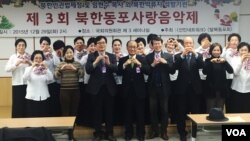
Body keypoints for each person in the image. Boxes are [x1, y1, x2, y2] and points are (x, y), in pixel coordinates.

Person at [85, 35, 117, 141]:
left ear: (106, 44)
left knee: (110, 112)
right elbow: (88, 70)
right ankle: (97, 133)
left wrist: (108, 63)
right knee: (97, 112)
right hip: (95, 89)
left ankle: (110, 133)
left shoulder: (111, 56)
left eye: (103, 42)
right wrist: (96, 61)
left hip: (109, 88)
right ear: (96, 45)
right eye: (99, 43)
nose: (101, 44)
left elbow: (116, 69)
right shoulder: (91, 56)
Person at [117, 40, 149, 141]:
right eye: (130, 47)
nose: (132, 49)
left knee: (140, 114)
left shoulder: (142, 58)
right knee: (128, 114)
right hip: (127, 91)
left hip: (139, 91)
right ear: (127, 48)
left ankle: (141, 134)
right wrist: (124, 64)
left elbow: (148, 71)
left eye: (134, 47)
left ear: (137, 48)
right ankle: (128, 133)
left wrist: (139, 64)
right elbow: (118, 72)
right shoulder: (123, 59)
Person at [174, 36, 204, 141]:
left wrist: (195, 54)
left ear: (193, 44)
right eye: (186, 43)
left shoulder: (198, 55)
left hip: (195, 89)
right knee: (181, 112)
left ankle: (194, 133)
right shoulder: (178, 56)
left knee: (195, 112)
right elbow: (173, 68)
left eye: (190, 43)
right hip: (181, 89)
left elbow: (202, 66)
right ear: (183, 44)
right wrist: (182, 55)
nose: (188, 45)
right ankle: (182, 133)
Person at [145, 36, 174, 140]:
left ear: (162, 44)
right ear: (152, 45)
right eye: (155, 44)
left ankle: (164, 132)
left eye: (159, 43)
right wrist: (153, 64)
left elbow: (172, 71)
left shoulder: (168, 56)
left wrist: (165, 62)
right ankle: (155, 131)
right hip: (152, 88)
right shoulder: (148, 57)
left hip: (164, 88)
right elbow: (146, 71)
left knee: (164, 111)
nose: (157, 45)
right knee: (153, 111)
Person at [202, 42, 233, 112]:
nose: (216, 52)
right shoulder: (207, 61)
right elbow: (204, 72)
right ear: (211, 51)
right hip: (210, 91)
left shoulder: (223, 61)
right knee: (210, 111)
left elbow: (231, 71)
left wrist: (225, 62)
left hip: (222, 91)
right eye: (214, 50)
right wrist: (211, 61)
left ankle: (219, 123)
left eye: (218, 50)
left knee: (220, 111)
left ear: (221, 51)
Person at [5, 38, 31, 118]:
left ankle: (28, 122)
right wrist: (16, 64)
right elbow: (7, 69)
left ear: (25, 47)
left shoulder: (29, 56)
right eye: (19, 45)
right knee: (17, 104)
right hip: (17, 84)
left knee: (27, 104)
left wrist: (30, 63)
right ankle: (16, 122)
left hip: (28, 84)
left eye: (23, 45)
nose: (21, 47)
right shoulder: (13, 57)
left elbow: (34, 68)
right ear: (16, 47)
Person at [23, 50, 53, 117]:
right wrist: (32, 67)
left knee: (44, 117)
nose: (38, 60)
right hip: (32, 97)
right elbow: (24, 78)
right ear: (32, 59)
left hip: (44, 96)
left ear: (42, 59)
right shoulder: (28, 69)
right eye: (36, 58)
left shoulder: (45, 70)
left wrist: (47, 68)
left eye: (40, 58)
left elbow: (51, 78)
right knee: (32, 118)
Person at [221, 33, 241, 113]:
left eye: (236, 40)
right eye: (232, 40)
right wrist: (225, 48)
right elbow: (220, 58)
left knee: (235, 98)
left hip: (238, 78)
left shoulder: (241, 51)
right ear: (229, 42)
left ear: (239, 42)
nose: (234, 42)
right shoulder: (226, 51)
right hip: (227, 78)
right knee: (227, 98)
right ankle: (229, 114)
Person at [230, 42, 250, 113]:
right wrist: (241, 61)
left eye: (246, 50)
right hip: (237, 89)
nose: (244, 52)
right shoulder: (235, 59)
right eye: (242, 50)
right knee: (237, 111)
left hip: (248, 90)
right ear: (238, 50)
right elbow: (235, 73)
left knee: (247, 111)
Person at [195, 33, 212, 114]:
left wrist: (211, 47)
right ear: (199, 42)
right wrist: (202, 47)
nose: (205, 42)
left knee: (209, 98)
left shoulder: (213, 49)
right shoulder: (197, 51)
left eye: (207, 40)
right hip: (199, 77)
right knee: (200, 97)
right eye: (203, 40)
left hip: (210, 77)